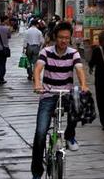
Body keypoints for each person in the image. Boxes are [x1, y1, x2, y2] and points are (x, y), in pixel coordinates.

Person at [31, 21, 88, 179]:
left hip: (66, 93)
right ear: (55, 37)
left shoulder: (74, 53)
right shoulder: (46, 52)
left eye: (67, 38)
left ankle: (70, 135)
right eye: (61, 37)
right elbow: (38, 69)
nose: (64, 41)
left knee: (77, 103)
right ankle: (36, 172)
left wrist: (83, 85)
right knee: (40, 133)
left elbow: (79, 69)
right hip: (48, 94)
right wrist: (37, 83)